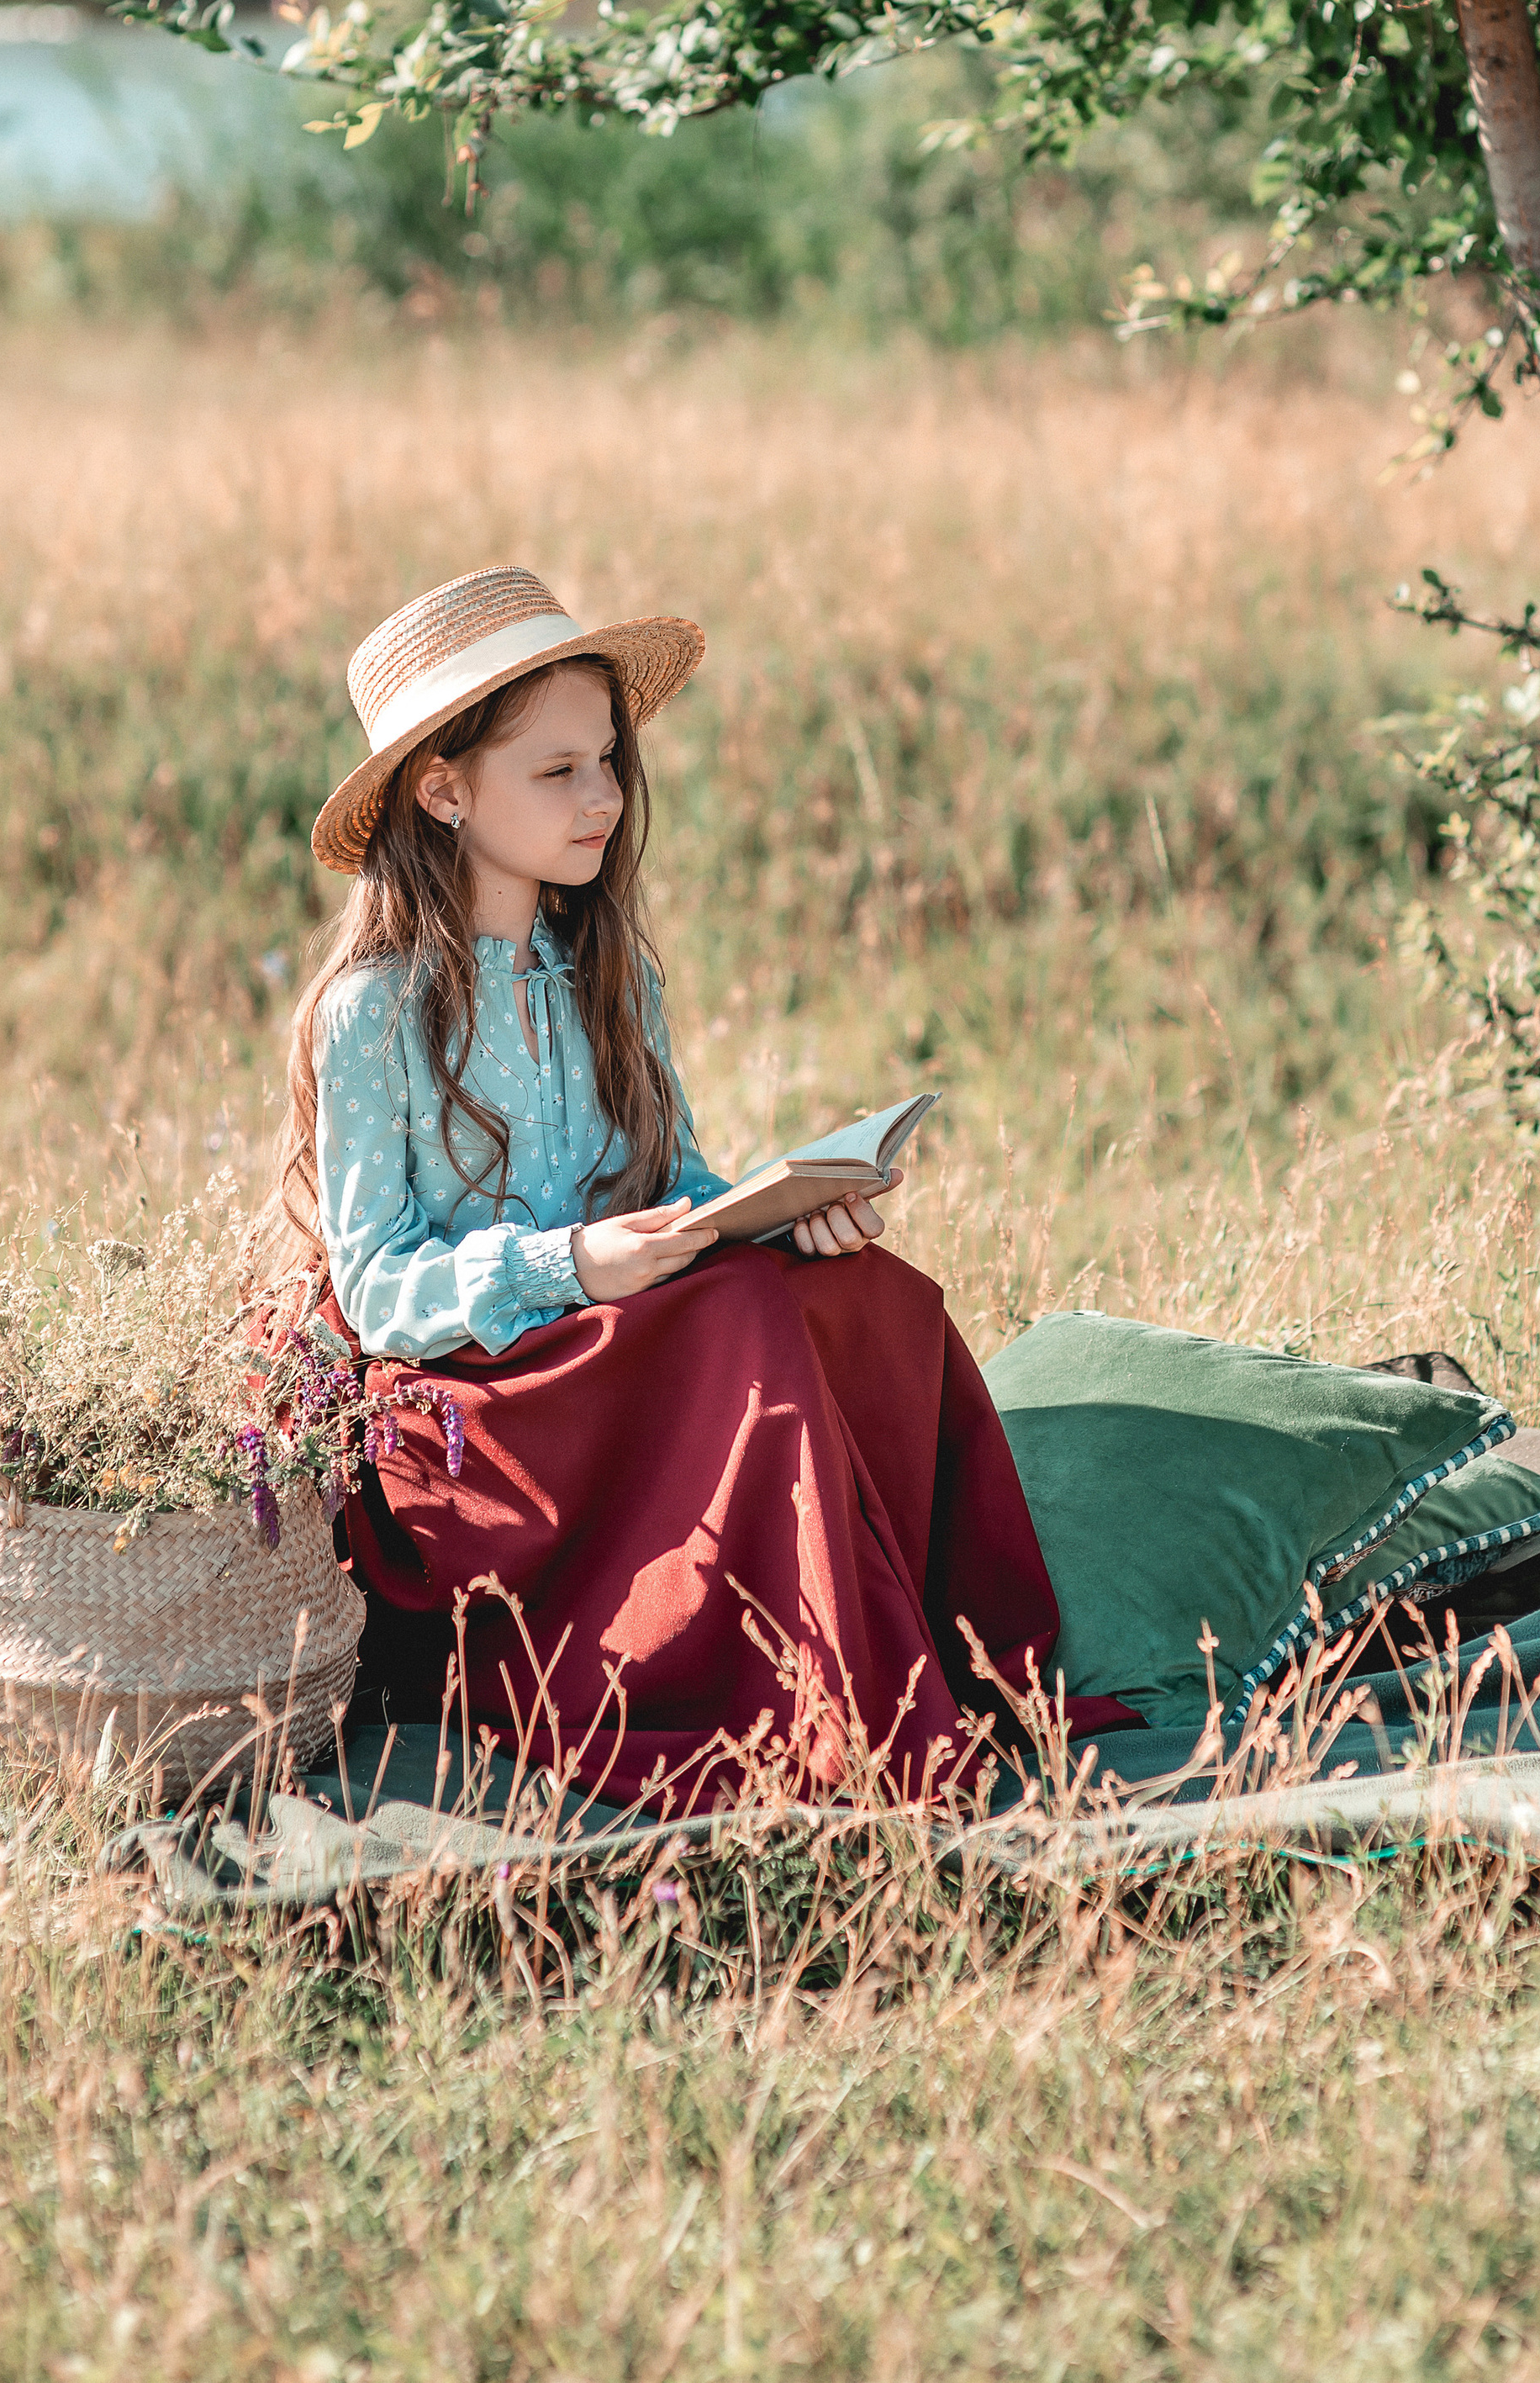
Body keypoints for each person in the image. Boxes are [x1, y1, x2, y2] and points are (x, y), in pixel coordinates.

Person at [246, 564, 1121, 1808]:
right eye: (558, 770)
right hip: (479, 1405)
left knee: (873, 1299)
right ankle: (817, 1705)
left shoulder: (607, 972)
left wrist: (782, 1213)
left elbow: (677, 1184)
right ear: (443, 791)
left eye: (608, 759)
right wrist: (570, 1264)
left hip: (616, 1344)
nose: (604, 796)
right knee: (742, 1319)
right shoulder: (372, 1011)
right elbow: (380, 1288)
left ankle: (942, 1667)